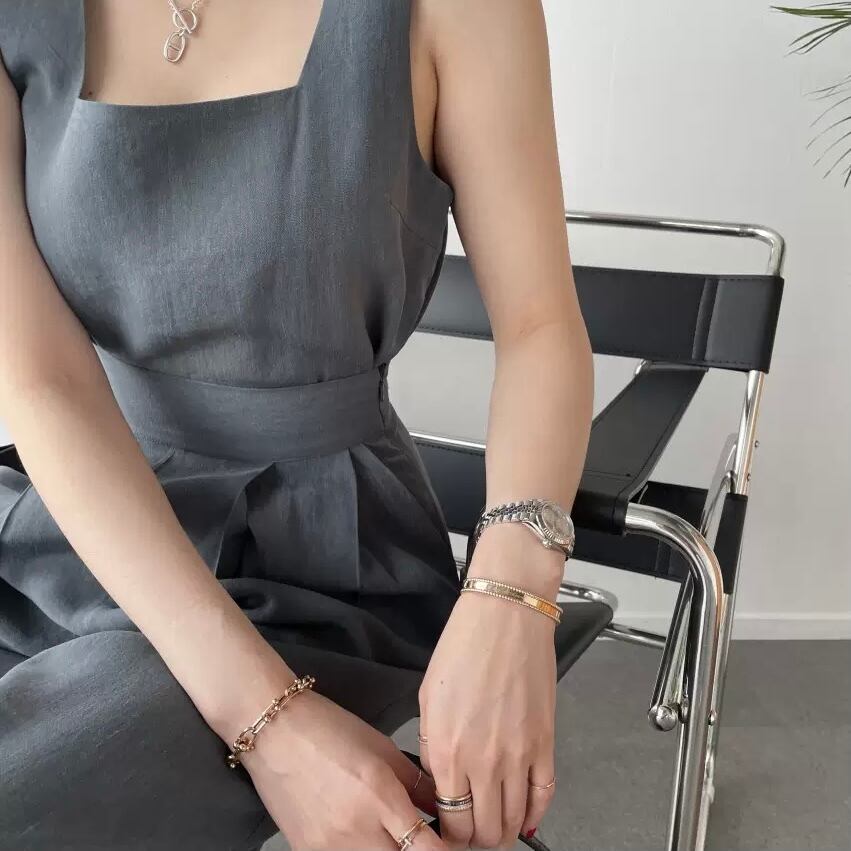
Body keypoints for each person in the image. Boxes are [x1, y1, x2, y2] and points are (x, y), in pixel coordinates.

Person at [0, 1, 594, 849]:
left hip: (320, 561)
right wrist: (269, 725)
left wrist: (512, 589)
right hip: (73, 526)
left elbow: (540, 327)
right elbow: (42, 382)